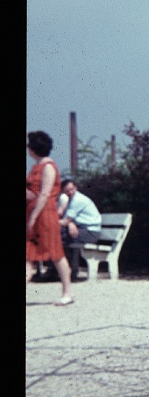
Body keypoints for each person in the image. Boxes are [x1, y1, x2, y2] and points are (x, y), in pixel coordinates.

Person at [26, 131, 74, 306]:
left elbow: (45, 194)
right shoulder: (36, 167)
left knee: (56, 253)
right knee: (28, 254)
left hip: (44, 215)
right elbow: (34, 192)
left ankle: (67, 292)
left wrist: (33, 217)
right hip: (34, 212)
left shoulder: (48, 167)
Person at [59, 177, 102, 281]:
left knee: (58, 236)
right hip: (84, 230)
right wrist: (70, 224)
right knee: (61, 235)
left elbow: (65, 221)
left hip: (91, 232)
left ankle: (61, 271)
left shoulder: (77, 199)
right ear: (64, 192)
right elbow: (68, 220)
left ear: (76, 187)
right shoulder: (71, 200)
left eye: (72, 189)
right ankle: (69, 272)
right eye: (67, 191)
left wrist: (51, 222)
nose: (70, 192)